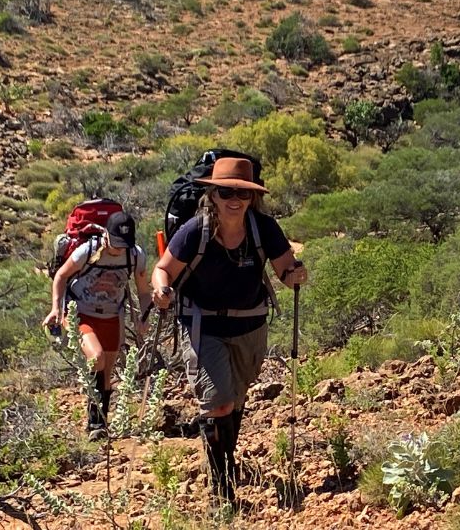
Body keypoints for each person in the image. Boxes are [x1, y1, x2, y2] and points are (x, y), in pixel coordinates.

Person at [151, 157, 307, 508]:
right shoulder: (195, 230)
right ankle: (222, 490)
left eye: (242, 193)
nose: (234, 199)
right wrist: (161, 290)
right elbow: (163, 270)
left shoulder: (264, 228)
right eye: (226, 192)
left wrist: (295, 275)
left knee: (234, 400)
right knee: (218, 400)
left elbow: (285, 269)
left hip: (250, 326)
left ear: (252, 197)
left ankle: (225, 461)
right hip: (204, 326)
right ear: (214, 195)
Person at [42, 211, 152, 440]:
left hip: (112, 316)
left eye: (124, 244)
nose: (119, 249)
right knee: (97, 358)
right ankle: (94, 422)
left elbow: (143, 290)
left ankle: (99, 423)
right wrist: (56, 309)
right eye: (116, 243)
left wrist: (144, 315)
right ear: (106, 235)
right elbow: (61, 277)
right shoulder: (88, 251)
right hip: (80, 313)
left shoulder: (135, 255)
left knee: (107, 372)